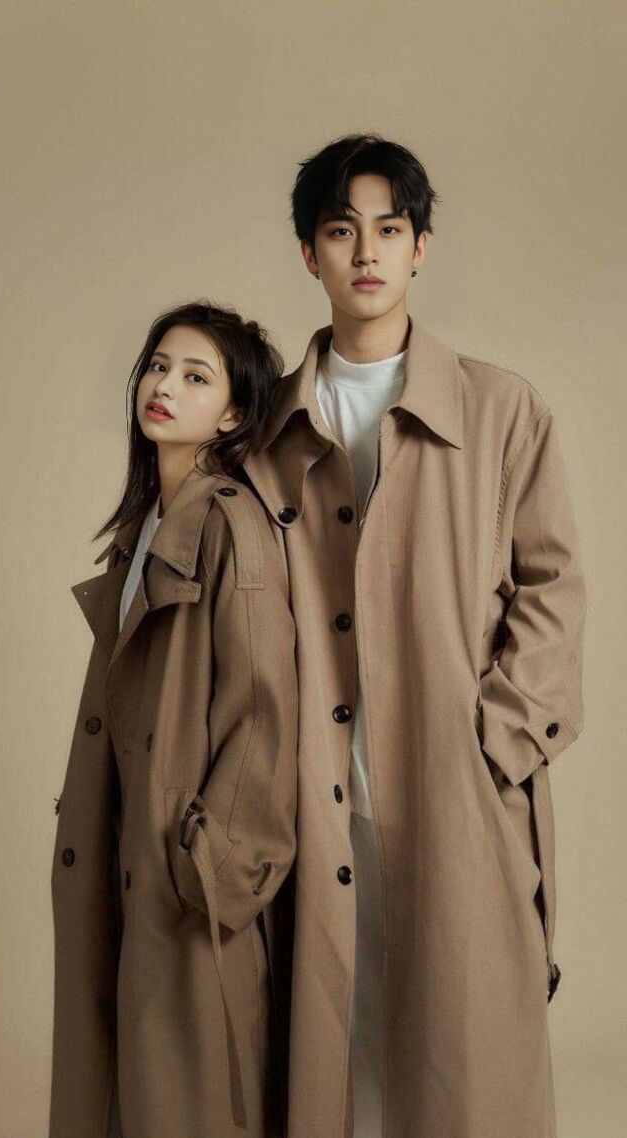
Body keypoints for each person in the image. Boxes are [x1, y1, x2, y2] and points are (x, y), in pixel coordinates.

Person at [241, 133, 587, 1138]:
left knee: (459, 1053)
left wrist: (496, 745)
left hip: (451, 781)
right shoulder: (262, 434)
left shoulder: (501, 409)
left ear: (420, 246)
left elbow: (553, 588)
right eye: (340, 230)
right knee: (329, 1047)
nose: (366, 252)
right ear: (308, 252)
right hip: (306, 787)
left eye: (389, 229)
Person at [49, 301, 299, 1138]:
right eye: (158, 366)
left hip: (186, 881)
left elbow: (262, 710)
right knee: (124, 1090)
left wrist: (212, 860)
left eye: (196, 376)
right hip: (126, 851)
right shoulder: (146, 523)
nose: (164, 386)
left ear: (232, 414)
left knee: (187, 1103)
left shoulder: (230, 522)